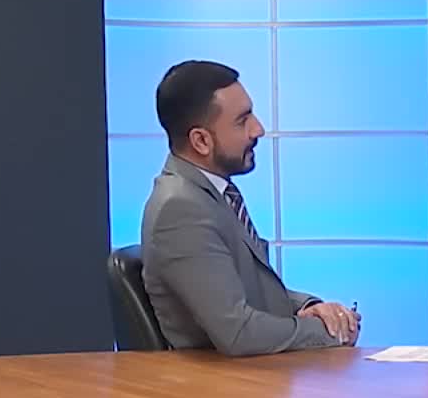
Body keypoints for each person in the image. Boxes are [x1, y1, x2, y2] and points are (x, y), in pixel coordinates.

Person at [140, 60, 361, 355]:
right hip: (222, 381)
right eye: (242, 121)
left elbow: (251, 292)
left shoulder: (214, 193)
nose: (258, 129)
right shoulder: (180, 209)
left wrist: (312, 308)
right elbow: (238, 332)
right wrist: (329, 334)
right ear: (201, 141)